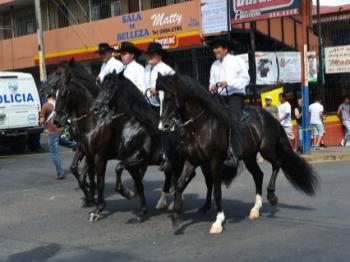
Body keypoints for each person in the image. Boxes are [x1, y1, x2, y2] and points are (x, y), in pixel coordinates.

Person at [209, 37, 250, 168]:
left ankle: (235, 154)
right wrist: (213, 86)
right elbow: (211, 82)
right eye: (214, 48)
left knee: (232, 119)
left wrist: (229, 83)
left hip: (235, 95)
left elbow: (246, 79)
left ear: (225, 49)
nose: (215, 50)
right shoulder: (214, 65)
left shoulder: (237, 61)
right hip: (219, 97)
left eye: (217, 47)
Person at [39, 92, 65, 180]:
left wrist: (41, 121)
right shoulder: (59, 104)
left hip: (52, 131)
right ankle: (75, 145)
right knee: (60, 140)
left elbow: (42, 118)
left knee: (55, 153)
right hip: (60, 129)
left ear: (47, 97)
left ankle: (60, 172)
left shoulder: (45, 106)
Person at [144, 42, 175, 111]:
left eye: (152, 54)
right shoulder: (146, 68)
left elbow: (174, 89)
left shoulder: (167, 70)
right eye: (148, 54)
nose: (149, 56)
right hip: (147, 106)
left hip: (162, 107)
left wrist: (158, 91)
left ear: (159, 56)